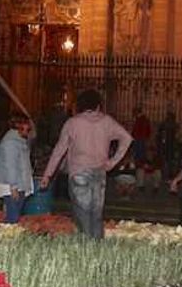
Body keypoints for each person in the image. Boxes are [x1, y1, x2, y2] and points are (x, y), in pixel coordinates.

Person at [41, 89, 132, 239]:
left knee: (82, 213)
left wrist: (47, 175)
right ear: (98, 106)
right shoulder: (107, 121)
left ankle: (85, 247)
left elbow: (59, 150)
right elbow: (127, 138)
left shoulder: (73, 123)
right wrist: (113, 162)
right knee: (96, 213)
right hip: (100, 172)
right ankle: (96, 245)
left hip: (79, 172)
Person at [0, 114, 34, 223]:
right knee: (13, 220)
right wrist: (13, 187)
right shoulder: (11, 142)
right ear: (20, 126)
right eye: (28, 126)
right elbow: (10, 166)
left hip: (17, 185)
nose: (29, 129)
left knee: (13, 219)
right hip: (14, 186)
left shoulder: (18, 141)